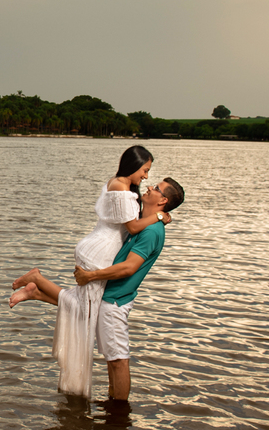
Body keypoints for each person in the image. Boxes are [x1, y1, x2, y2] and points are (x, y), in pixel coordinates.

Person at [9, 146, 171, 399]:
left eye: (150, 174)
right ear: (134, 164)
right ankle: (37, 281)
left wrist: (156, 216)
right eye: (145, 170)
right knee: (85, 307)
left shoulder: (120, 185)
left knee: (85, 308)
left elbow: (130, 225)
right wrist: (159, 216)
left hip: (97, 246)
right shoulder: (123, 189)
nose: (147, 178)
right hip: (101, 251)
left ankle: (36, 291)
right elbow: (132, 227)